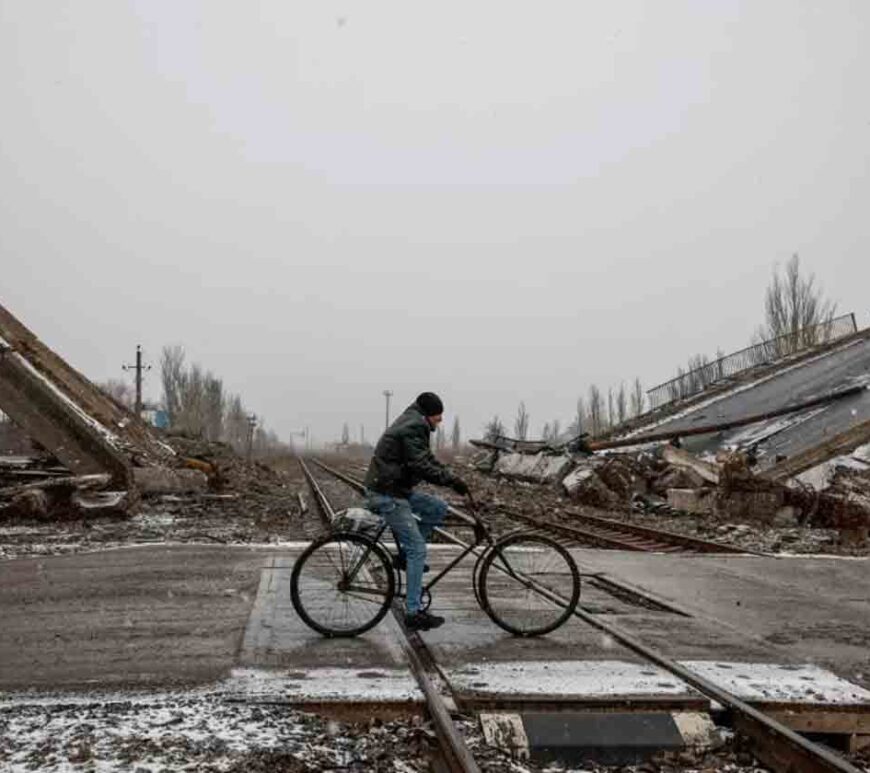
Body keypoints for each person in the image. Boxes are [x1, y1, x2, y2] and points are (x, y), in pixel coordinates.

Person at [364, 392, 470, 631]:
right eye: (439, 416)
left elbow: (426, 458)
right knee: (417, 549)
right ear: (429, 414)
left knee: (437, 507)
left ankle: (406, 558)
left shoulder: (413, 422)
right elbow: (420, 465)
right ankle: (413, 612)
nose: (440, 421)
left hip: (395, 487)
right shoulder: (414, 426)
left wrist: (450, 476)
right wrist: (451, 482)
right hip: (387, 493)